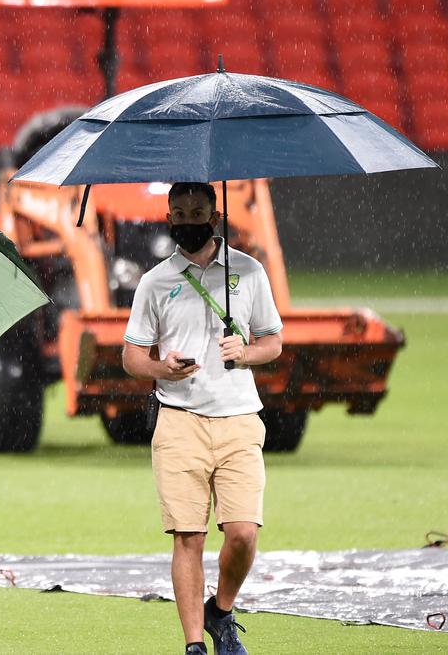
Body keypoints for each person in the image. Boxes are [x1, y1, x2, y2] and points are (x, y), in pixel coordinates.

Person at [121, 182, 283, 655]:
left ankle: (222, 609)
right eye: (178, 213)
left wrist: (247, 352)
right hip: (179, 418)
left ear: (215, 218)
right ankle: (194, 644)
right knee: (187, 537)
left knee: (243, 534)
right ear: (168, 218)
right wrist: (160, 368)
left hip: (238, 418)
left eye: (196, 213)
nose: (186, 222)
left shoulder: (249, 272)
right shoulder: (154, 282)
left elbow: (273, 341)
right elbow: (132, 356)